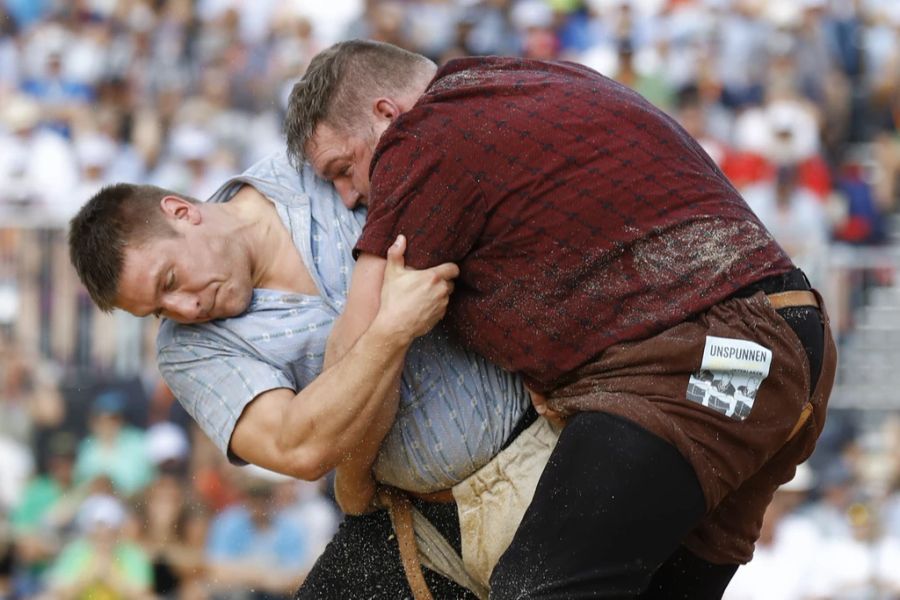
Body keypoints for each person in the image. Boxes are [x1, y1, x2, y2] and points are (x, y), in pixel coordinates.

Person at [285, 39, 838, 598]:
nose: (349, 195)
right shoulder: (533, 80)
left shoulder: (420, 134)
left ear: (385, 114)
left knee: (539, 588)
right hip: (780, 354)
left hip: (707, 357)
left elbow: (349, 366)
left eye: (343, 168)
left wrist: (348, 476)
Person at [68, 151, 552, 598]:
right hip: (421, 522)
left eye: (169, 281)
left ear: (181, 211)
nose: (184, 307)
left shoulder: (315, 165)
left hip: (550, 441)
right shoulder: (186, 348)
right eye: (157, 310)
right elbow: (297, 448)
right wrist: (391, 329)